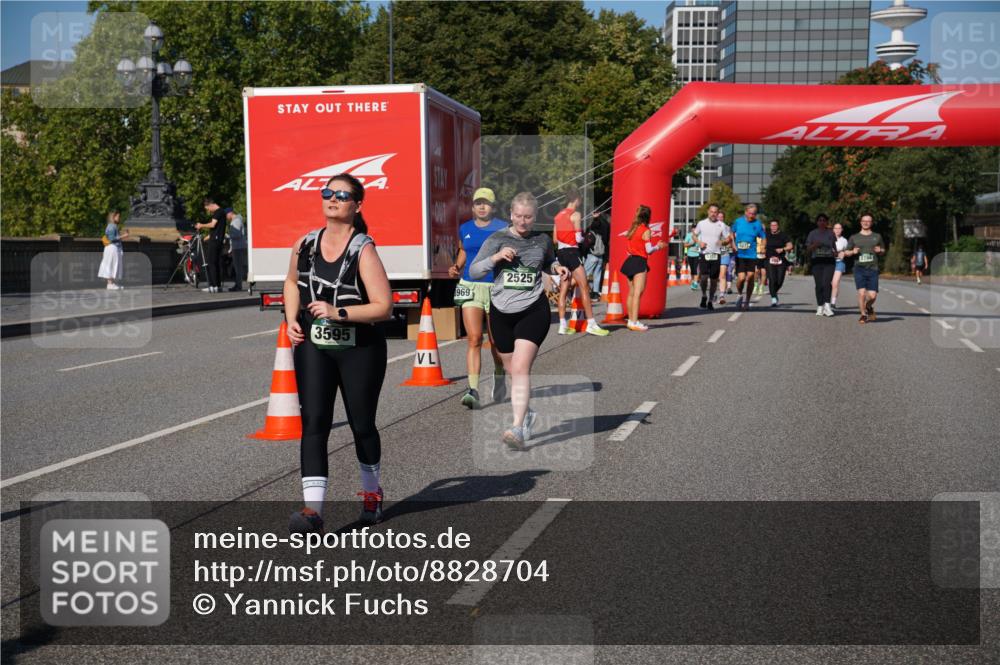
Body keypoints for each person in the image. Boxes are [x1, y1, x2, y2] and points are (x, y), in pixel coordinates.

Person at [283, 173, 393, 533]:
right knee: (314, 422)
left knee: (362, 425)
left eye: (342, 195)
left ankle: (372, 494)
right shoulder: (305, 244)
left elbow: (384, 306)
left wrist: (338, 312)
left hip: (360, 347)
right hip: (315, 345)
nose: (332, 199)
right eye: (327, 192)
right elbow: (291, 282)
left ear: (357, 205)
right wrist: (291, 318)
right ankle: (312, 511)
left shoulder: (363, 249)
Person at [470, 192, 571, 449]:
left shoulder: (542, 240)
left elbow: (548, 262)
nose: (523, 221)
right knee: (511, 369)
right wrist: (495, 257)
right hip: (501, 311)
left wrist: (557, 268)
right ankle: (526, 413)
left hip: (533, 309)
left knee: (521, 367)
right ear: (511, 215)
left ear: (534, 217)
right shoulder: (497, 239)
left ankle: (517, 427)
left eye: (528, 217)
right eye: (518, 216)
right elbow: (474, 270)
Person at [448, 187, 508, 410]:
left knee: (496, 341)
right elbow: (464, 250)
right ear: (472, 206)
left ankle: (500, 374)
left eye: (486, 203)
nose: (482, 207)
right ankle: (473, 389)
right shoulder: (465, 228)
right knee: (474, 339)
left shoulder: (503, 228)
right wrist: (456, 266)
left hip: (495, 287)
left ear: (493, 206)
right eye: (478, 203)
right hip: (470, 286)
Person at [553, 187, 608, 336]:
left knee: (563, 289)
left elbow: (555, 239)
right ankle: (591, 323)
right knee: (584, 287)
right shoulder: (575, 214)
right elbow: (578, 239)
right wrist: (584, 237)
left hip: (561, 253)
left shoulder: (557, 216)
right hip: (572, 252)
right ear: (576, 199)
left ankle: (562, 325)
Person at [621, 205, 667, 331]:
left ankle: (631, 320)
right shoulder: (646, 230)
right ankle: (635, 322)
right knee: (638, 293)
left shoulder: (633, 228)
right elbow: (648, 250)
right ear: (648, 217)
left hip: (630, 261)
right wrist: (658, 246)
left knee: (631, 293)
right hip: (639, 261)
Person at [846, 214, 885, 324]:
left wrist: (880, 251)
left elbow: (883, 250)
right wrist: (852, 252)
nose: (866, 222)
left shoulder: (877, 236)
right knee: (862, 293)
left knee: (872, 296)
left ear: (871, 223)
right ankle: (863, 315)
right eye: (864, 220)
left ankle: (868, 306)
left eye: (868, 221)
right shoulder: (854, 237)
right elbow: (846, 252)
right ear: (861, 222)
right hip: (859, 269)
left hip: (873, 269)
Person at [692, 203, 730, 310]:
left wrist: (723, 242)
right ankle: (704, 295)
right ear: (708, 212)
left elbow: (728, 238)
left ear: (717, 213)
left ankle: (710, 300)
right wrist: (699, 242)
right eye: (711, 212)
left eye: (715, 212)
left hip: (716, 254)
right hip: (704, 253)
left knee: (714, 279)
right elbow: (694, 235)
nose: (713, 214)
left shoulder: (721, 225)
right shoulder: (701, 223)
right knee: (704, 277)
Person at [731, 203, 766, 311]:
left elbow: (763, 237)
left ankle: (747, 301)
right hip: (740, 254)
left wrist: (763, 247)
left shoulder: (758, 224)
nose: (752, 215)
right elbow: (731, 232)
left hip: (751, 255)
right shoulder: (738, 221)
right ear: (746, 212)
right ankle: (740, 294)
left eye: (754, 214)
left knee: (750, 277)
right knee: (741, 278)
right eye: (750, 213)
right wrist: (733, 244)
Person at [806, 213, 837, 317]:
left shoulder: (831, 233)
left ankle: (827, 306)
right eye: (820, 220)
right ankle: (820, 305)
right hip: (817, 262)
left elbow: (834, 247)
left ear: (827, 222)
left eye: (824, 220)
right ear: (817, 222)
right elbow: (808, 249)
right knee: (819, 285)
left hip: (829, 261)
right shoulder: (812, 234)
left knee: (826, 283)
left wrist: (836, 253)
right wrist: (815, 245)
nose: (822, 222)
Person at [198, 197, 228, 293]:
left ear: (210, 205)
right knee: (216, 263)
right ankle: (217, 286)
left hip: (215, 241)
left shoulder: (218, 212)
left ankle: (213, 285)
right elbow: (216, 230)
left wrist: (201, 225)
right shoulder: (222, 212)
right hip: (218, 240)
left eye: (208, 209)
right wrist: (206, 238)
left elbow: (212, 225)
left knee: (211, 262)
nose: (209, 211)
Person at [764, 219, 793, 306]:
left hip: (781, 259)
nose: (773, 227)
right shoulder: (766, 234)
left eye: (775, 225)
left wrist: (783, 249)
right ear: (770, 226)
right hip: (769, 259)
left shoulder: (783, 235)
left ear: (778, 226)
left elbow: (790, 245)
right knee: (772, 279)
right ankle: (773, 298)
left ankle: (773, 292)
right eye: (772, 225)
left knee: (779, 281)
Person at [98, 210, 128, 289]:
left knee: (113, 264)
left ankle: (111, 283)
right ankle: (110, 284)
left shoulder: (113, 226)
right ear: (113, 217)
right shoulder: (112, 226)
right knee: (111, 264)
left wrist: (121, 236)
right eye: (118, 216)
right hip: (112, 248)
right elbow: (112, 239)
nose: (119, 218)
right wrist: (123, 236)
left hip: (113, 247)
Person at [583, 209, 610, 298]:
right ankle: (595, 293)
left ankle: (583, 293)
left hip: (592, 254)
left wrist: (595, 219)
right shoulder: (606, 225)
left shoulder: (594, 226)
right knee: (597, 274)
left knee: (585, 274)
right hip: (601, 254)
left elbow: (587, 243)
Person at [226, 208, 247, 292]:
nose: (226, 217)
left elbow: (237, 235)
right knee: (237, 267)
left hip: (238, 247)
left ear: (230, 213)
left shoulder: (236, 221)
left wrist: (228, 236)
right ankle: (238, 284)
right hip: (237, 247)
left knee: (238, 267)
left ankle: (238, 286)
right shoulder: (236, 220)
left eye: (226, 215)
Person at [831, 222, 849, 308]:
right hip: (829, 262)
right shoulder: (829, 238)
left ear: (842, 230)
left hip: (839, 262)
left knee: (835, 283)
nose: (837, 230)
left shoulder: (844, 240)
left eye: (839, 228)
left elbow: (847, 251)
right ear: (833, 230)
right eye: (836, 228)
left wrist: (844, 253)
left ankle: (833, 303)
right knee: (828, 283)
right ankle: (826, 301)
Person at [716, 210, 732, 303]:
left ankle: (722, 295)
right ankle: (713, 293)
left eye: (721, 217)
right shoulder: (710, 227)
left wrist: (725, 245)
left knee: (722, 274)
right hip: (713, 253)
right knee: (714, 276)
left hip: (724, 252)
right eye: (718, 217)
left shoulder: (727, 228)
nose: (720, 218)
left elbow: (730, 241)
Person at [683, 225, 701, 290]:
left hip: (697, 254)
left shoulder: (700, 235)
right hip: (690, 254)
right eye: (693, 228)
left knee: (696, 268)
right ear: (691, 229)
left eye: (696, 228)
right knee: (692, 269)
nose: (694, 230)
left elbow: (702, 244)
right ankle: (693, 281)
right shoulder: (688, 235)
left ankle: (695, 283)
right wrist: (685, 254)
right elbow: (685, 245)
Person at [754, 232, 768, 297]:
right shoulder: (755, 237)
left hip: (765, 257)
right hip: (757, 256)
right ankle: (755, 286)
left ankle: (761, 288)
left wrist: (766, 250)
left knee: (763, 273)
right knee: (756, 272)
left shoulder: (767, 237)